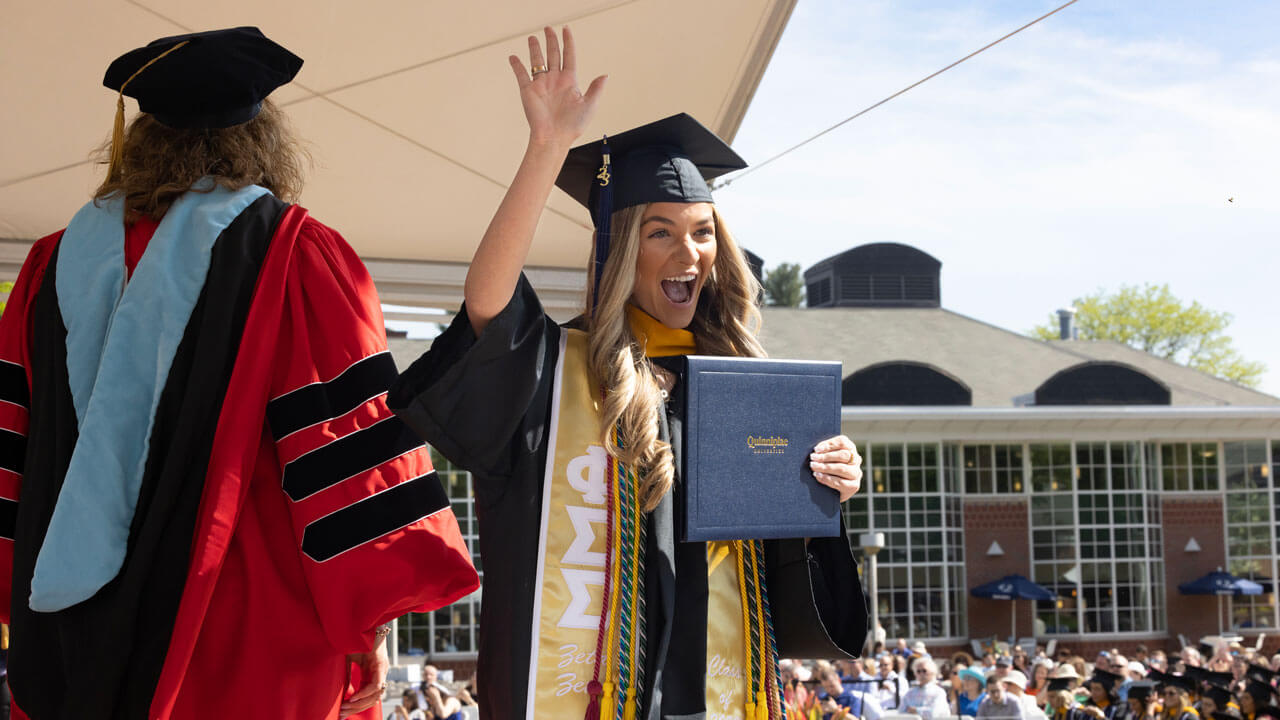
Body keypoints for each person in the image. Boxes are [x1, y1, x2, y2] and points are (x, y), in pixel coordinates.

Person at [388, 26, 867, 720]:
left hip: (719, 694)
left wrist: (828, 484)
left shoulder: (747, 388)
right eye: (661, 231)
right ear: (620, 249)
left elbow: (788, 574)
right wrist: (546, 149)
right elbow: (488, 302)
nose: (690, 251)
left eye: (702, 230)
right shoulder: (561, 375)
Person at [0, 27, 479, 720]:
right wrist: (367, 622)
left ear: (139, 142)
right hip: (253, 623)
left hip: (72, 631)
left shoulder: (49, 267)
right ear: (259, 141)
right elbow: (349, 445)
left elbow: (12, 452)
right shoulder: (295, 254)